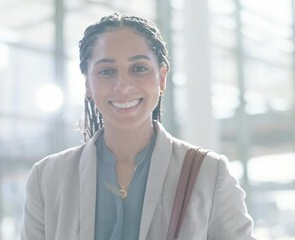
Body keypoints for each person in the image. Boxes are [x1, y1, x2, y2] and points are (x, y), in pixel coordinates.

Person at [21, 13, 256, 240]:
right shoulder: (48, 178)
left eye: (139, 68)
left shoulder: (209, 172)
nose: (123, 86)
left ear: (162, 78)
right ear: (88, 85)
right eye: (106, 71)